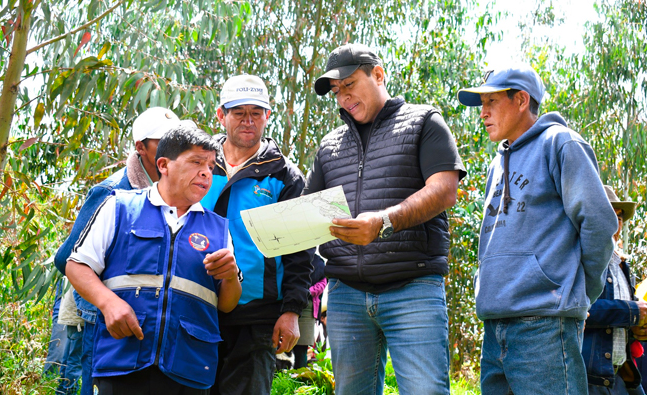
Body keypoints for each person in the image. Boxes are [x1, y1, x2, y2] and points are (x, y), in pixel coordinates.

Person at [305, 43, 466, 395]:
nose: (342, 97)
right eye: (336, 91)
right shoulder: (329, 146)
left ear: (378, 74)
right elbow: (308, 211)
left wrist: (383, 222)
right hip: (346, 295)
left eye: (349, 84)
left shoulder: (424, 122)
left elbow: (443, 190)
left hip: (414, 289)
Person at [457, 63, 617, 394]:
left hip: (544, 326)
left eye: (491, 102)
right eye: (480, 105)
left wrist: (580, 294)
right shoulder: (497, 163)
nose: (482, 113)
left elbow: (599, 224)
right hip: (495, 326)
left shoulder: (561, 144)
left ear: (521, 100)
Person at [65, 125, 242, 394]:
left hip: (188, 369)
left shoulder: (218, 229)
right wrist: (108, 302)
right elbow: (76, 265)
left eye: (210, 165)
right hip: (123, 359)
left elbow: (227, 305)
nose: (206, 172)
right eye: (196, 162)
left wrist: (230, 276)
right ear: (163, 165)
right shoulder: (119, 207)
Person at [51, 107, 192, 395]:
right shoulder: (113, 192)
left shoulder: (173, 190)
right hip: (103, 319)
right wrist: (107, 300)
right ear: (140, 147)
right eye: (164, 143)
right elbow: (67, 258)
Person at [201, 74, 313, 395]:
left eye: (256, 113)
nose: (248, 121)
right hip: (196, 310)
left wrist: (292, 311)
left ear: (267, 116)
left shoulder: (284, 176)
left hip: (256, 318)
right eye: (239, 112)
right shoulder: (199, 163)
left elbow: (299, 251)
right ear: (221, 115)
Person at [582, 185, 647, 394]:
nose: (615, 224)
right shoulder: (579, 259)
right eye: (607, 216)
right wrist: (631, 313)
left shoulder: (622, 265)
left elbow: (624, 322)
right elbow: (576, 309)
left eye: (619, 218)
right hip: (590, 378)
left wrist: (642, 328)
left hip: (619, 377)